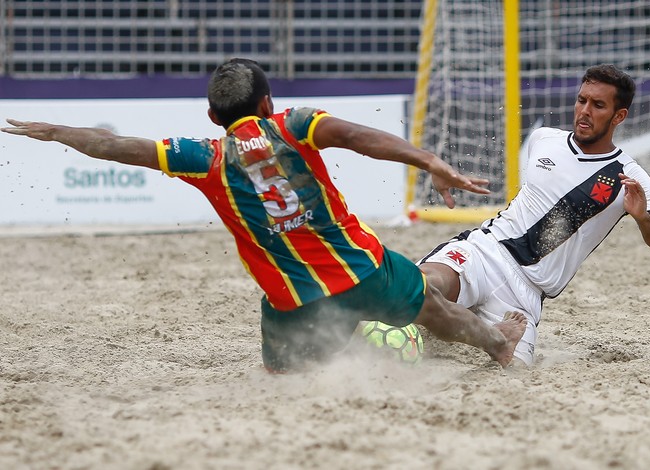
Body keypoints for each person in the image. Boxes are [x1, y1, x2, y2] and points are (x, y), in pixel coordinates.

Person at [2, 58, 527, 373]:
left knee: (283, 374)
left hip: (291, 298)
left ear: (212, 117)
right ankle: (498, 344)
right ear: (269, 101)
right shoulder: (294, 124)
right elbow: (359, 138)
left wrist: (57, 133)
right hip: (360, 271)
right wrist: (430, 160)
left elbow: (117, 145)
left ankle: (343, 348)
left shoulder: (204, 157)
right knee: (431, 305)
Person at [418, 64, 650, 367]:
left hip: (525, 295)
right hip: (485, 252)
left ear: (619, 116)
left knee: (511, 372)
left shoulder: (628, 176)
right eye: (582, 100)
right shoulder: (544, 139)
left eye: (598, 105)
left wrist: (643, 218)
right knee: (423, 286)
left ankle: (493, 335)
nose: (585, 111)